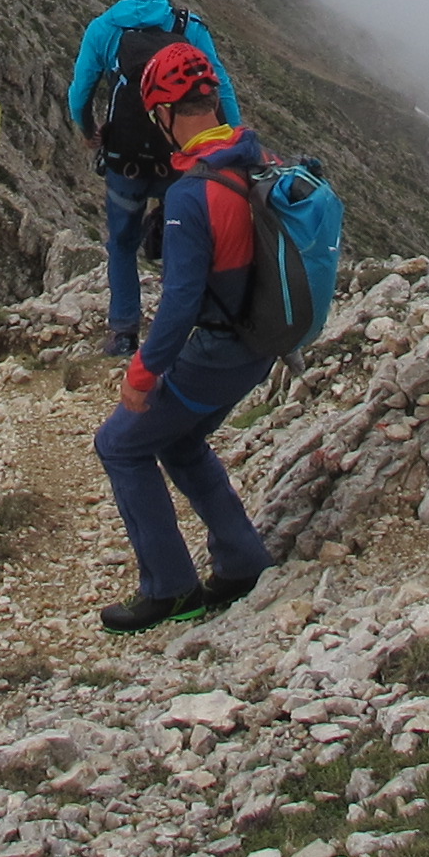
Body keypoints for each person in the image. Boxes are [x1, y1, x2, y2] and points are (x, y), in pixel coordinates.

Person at [89, 41, 277, 632]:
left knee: (120, 444)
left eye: (156, 116)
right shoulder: (255, 155)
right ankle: (242, 562)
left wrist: (142, 372)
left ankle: (169, 589)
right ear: (211, 98)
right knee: (182, 441)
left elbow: (180, 304)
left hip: (220, 350)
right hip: (261, 341)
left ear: (166, 113)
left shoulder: (191, 193)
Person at [65, 0, 237, 359]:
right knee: (185, 239)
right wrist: (232, 139)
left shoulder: (104, 30)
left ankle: (124, 332)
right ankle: (186, 326)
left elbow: (79, 94)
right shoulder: (186, 25)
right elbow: (221, 87)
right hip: (180, 157)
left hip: (125, 160)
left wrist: (88, 130)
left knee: (123, 245)